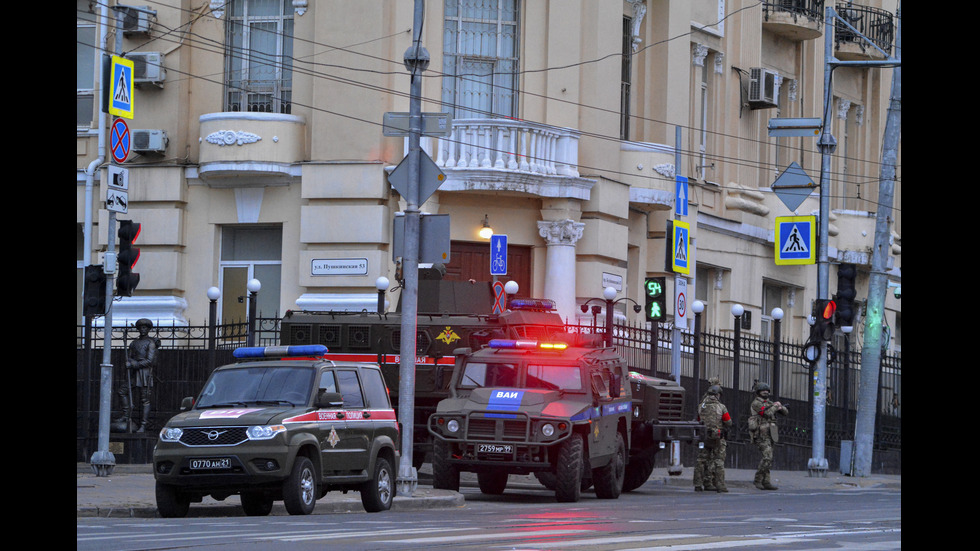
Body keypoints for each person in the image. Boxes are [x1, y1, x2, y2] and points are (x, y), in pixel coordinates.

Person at [115, 318, 159, 433]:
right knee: (122, 391)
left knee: (145, 399)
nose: (143, 329)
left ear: (148, 329)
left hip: (144, 373)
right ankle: (126, 415)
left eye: (145, 327)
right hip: (134, 373)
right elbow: (129, 356)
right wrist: (128, 362)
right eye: (141, 328)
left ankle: (143, 425)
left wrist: (135, 364)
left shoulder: (151, 343)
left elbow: (150, 361)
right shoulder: (134, 343)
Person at [749, 382, 788, 490]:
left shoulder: (769, 402)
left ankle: (766, 481)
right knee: (767, 457)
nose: (766, 392)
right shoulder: (756, 403)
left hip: (771, 433)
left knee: (769, 458)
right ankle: (758, 479)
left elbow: (785, 412)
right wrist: (775, 407)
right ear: (758, 392)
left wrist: (780, 407)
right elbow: (766, 414)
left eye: (767, 390)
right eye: (763, 390)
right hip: (761, 433)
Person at [693, 385, 732, 493]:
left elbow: (698, 419)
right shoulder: (721, 407)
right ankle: (720, 485)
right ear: (718, 395)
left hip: (703, 436)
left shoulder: (701, 406)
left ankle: (698, 484)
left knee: (701, 460)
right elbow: (728, 422)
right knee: (718, 461)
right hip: (717, 437)